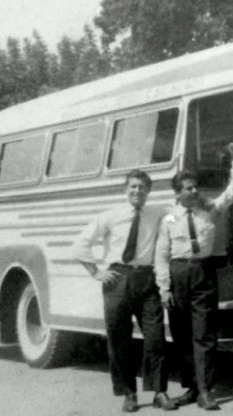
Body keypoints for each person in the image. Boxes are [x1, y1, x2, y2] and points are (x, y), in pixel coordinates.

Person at [74, 169, 177, 413]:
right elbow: (80, 243)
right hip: (117, 279)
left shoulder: (158, 213)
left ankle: (159, 392)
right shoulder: (110, 215)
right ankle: (128, 393)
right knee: (119, 339)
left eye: (142, 187)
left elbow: (181, 213)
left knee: (155, 338)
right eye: (132, 187)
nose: (137, 191)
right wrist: (95, 272)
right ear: (125, 190)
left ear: (148, 191)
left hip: (146, 278)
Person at [155, 143, 233, 411]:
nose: (194, 190)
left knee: (204, 334)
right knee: (181, 335)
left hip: (203, 272)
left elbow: (231, 193)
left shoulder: (209, 209)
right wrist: (164, 288)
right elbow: (161, 255)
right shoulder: (168, 218)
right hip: (178, 274)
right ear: (178, 193)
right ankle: (191, 387)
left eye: (195, 186)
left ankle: (205, 390)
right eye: (188, 188)